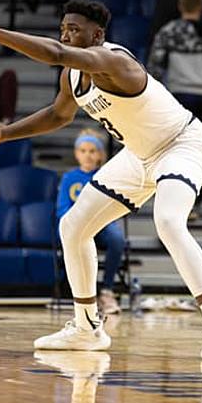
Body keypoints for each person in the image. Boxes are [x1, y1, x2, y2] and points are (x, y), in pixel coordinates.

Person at [0, 0, 202, 360]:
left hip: (180, 143)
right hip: (139, 154)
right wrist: (3, 134)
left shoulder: (115, 61)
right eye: (62, 29)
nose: (65, 35)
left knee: (168, 221)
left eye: (74, 29)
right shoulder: (73, 78)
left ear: (96, 35)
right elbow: (59, 116)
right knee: (72, 226)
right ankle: (87, 326)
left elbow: (56, 54)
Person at [56, 129, 124, 316]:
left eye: (92, 151)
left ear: (101, 154)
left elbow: (113, 205)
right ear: (77, 153)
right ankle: (85, 294)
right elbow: (62, 209)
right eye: (83, 150)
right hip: (77, 225)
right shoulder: (69, 178)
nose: (88, 155)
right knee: (74, 236)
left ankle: (107, 290)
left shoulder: (106, 175)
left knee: (117, 238)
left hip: (101, 224)